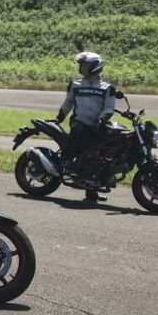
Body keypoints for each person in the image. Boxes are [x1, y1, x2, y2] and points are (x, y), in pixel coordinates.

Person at [56, 51, 116, 202]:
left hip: (97, 124)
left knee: (96, 155)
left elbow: (109, 108)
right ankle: (66, 160)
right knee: (78, 130)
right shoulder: (75, 84)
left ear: (95, 66)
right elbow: (68, 102)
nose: (81, 68)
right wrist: (60, 117)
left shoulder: (108, 87)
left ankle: (92, 191)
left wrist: (101, 120)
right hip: (79, 121)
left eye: (85, 65)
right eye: (81, 65)